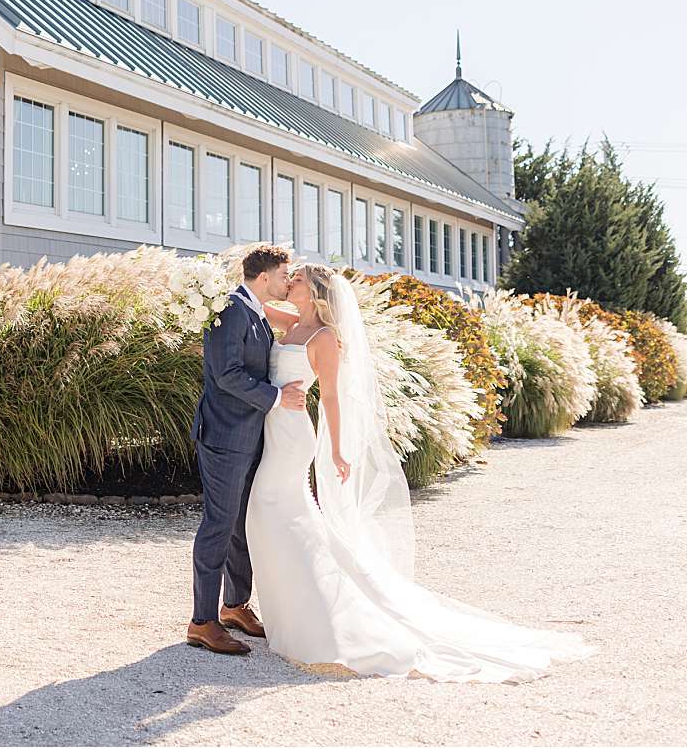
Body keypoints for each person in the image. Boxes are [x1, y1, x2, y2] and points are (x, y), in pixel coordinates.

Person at [240, 263, 598, 681]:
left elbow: (333, 398)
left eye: (298, 279)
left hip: (292, 436)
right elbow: (251, 304)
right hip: (273, 428)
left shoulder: (324, 337)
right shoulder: (290, 322)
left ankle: (318, 616)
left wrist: (337, 449)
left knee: (272, 509)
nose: (290, 282)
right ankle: (295, 611)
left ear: (317, 291)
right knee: (277, 517)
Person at [185, 244, 309, 655]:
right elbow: (227, 375)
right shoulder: (232, 310)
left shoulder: (254, 310)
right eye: (284, 275)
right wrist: (277, 397)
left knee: (241, 524)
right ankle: (202, 622)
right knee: (219, 524)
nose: (287, 282)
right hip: (224, 437)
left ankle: (235, 605)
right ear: (264, 276)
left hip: (250, 435)